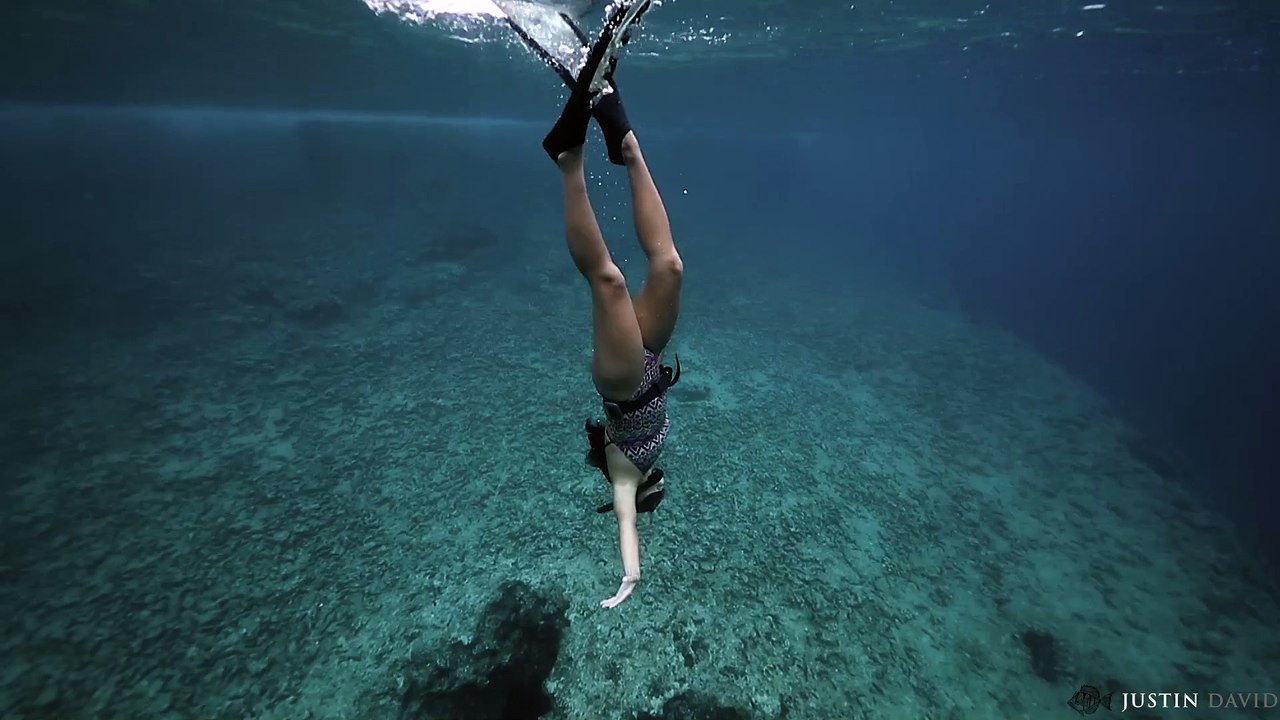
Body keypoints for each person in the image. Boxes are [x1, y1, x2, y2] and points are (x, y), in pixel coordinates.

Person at [536, 1, 683, 609]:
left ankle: (568, 162)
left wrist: (631, 577)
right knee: (669, 264)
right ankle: (619, 130)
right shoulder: (649, 464)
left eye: (655, 496)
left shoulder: (624, 476)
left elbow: (625, 521)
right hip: (651, 359)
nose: (657, 490)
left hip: (623, 380)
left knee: (610, 281)